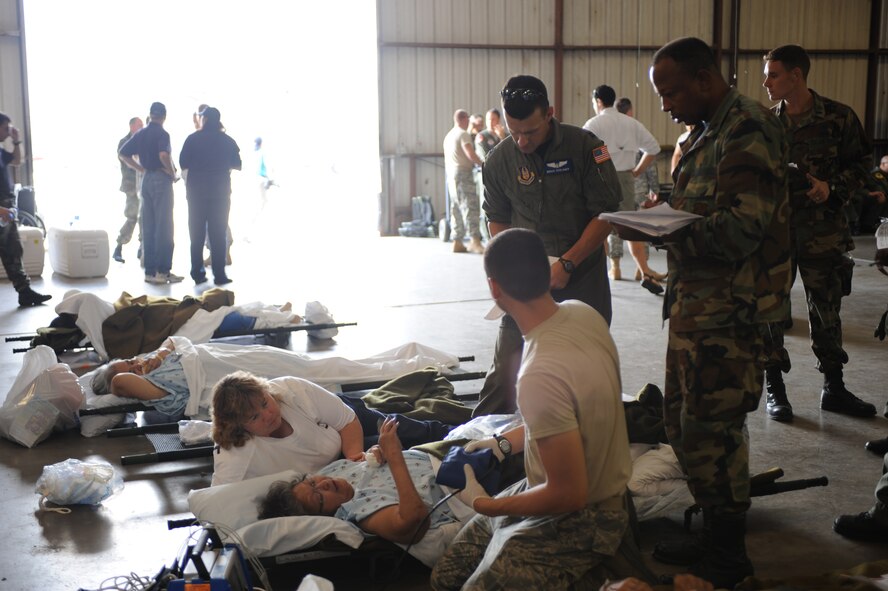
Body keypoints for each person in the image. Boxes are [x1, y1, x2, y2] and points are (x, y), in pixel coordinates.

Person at [621, 37, 792, 588]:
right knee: (684, 425)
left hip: (733, 312)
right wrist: (662, 212)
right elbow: (703, 207)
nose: (666, 105)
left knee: (715, 431)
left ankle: (728, 554)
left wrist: (667, 231)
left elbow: (742, 229)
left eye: (670, 92)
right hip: (698, 306)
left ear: (702, 78)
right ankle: (712, 530)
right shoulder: (702, 132)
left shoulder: (748, 128)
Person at [431, 228, 636, 591]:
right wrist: (503, 443)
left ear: (495, 289)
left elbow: (569, 494)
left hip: (585, 517)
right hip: (554, 487)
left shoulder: (537, 372)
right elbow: (572, 413)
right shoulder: (582, 313)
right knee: (445, 577)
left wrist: (484, 503)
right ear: (548, 270)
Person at [473, 75, 621, 417]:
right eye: (514, 131)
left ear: (550, 114)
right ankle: (477, 450)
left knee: (585, 371)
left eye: (531, 132)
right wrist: (509, 268)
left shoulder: (585, 147)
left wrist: (567, 264)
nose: (522, 141)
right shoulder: (499, 161)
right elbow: (496, 218)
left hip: (582, 275)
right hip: (526, 280)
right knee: (505, 374)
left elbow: (607, 213)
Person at [761, 44, 876, 420]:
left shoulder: (838, 118)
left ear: (797, 76)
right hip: (775, 235)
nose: (766, 82)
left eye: (773, 74)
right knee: (770, 311)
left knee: (826, 310)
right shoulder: (766, 124)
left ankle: (834, 388)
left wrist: (832, 186)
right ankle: (775, 390)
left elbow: (863, 162)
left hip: (823, 233)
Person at [259, 417, 471, 551]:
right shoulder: (358, 510)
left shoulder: (331, 472)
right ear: (325, 515)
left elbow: (364, 464)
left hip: (440, 452)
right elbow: (414, 519)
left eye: (313, 482)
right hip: (460, 478)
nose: (324, 485)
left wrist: (376, 453)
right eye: (319, 497)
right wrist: (394, 455)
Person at [211, 372, 455, 486]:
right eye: (255, 417)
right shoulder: (237, 455)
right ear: (239, 426)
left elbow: (347, 421)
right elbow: (218, 499)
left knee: (398, 429)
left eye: (266, 403)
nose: (268, 415)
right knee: (396, 455)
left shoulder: (292, 391)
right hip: (333, 462)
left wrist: (354, 456)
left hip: (349, 423)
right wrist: (354, 465)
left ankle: (458, 433)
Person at [583, 85, 663, 293]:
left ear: (598, 101)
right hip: (627, 178)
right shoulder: (631, 123)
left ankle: (609, 269)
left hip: (602, 179)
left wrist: (605, 158)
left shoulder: (594, 123)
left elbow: (585, 152)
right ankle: (644, 270)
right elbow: (653, 148)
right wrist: (636, 171)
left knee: (599, 227)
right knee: (629, 226)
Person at [119, 101, 183, 285]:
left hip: (146, 181)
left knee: (148, 225)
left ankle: (150, 272)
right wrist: (172, 173)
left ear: (151, 114)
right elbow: (164, 155)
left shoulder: (141, 133)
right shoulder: (162, 134)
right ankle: (163, 272)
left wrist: (141, 168)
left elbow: (123, 154)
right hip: (161, 181)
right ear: (164, 116)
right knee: (164, 226)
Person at [179, 106, 242, 286]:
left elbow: (183, 162)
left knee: (196, 233)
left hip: (196, 192)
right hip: (220, 192)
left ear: (204, 120)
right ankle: (220, 275)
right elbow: (237, 164)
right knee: (218, 232)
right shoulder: (228, 141)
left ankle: (197, 273)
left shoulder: (192, 140)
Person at [0, 112, 51, 307]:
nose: (8, 132)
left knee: (13, 250)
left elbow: (16, 160)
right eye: (5, 128)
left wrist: (17, 141)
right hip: (1, 209)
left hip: (6, 209)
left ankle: (24, 292)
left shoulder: (1, 152)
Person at [615, 96, 667, 287]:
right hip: (638, 186)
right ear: (629, 111)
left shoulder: (607, 128)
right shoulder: (634, 128)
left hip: (617, 186)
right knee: (638, 229)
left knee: (615, 228)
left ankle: (616, 266)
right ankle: (642, 269)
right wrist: (655, 188)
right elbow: (652, 155)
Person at [443, 110, 485, 254]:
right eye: (468, 119)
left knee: (456, 207)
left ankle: (457, 241)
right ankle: (475, 241)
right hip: (463, 174)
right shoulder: (463, 134)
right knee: (470, 206)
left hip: (451, 176)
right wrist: (483, 165)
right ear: (464, 119)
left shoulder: (449, 135)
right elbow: (470, 154)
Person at [113, 117, 144, 264]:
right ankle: (119, 246)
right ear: (132, 127)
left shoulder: (142, 140)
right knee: (132, 216)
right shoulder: (125, 142)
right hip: (131, 186)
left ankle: (142, 247)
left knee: (144, 217)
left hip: (143, 185)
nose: (142, 127)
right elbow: (124, 158)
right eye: (139, 125)